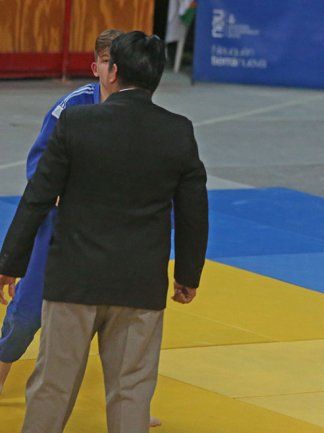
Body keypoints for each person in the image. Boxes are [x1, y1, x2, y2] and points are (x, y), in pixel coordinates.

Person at [0, 30, 208, 433]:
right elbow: (193, 212)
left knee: (52, 389)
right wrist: (188, 275)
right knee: (132, 391)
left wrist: (10, 262)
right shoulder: (178, 130)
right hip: (139, 284)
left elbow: (37, 197)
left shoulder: (76, 123)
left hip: (74, 281)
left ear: (110, 72)